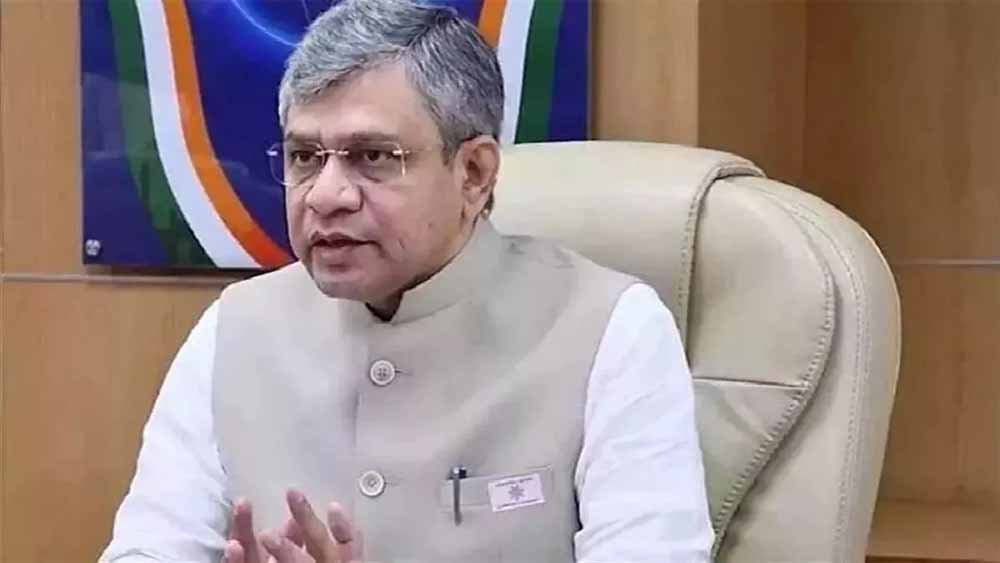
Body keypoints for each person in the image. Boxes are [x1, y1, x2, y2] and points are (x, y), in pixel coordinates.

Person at [100, 1, 713, 561]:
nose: (326, 195)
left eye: (373, 157)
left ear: (474, 173)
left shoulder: (612, 331)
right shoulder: (235, 328)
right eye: (305, 157)